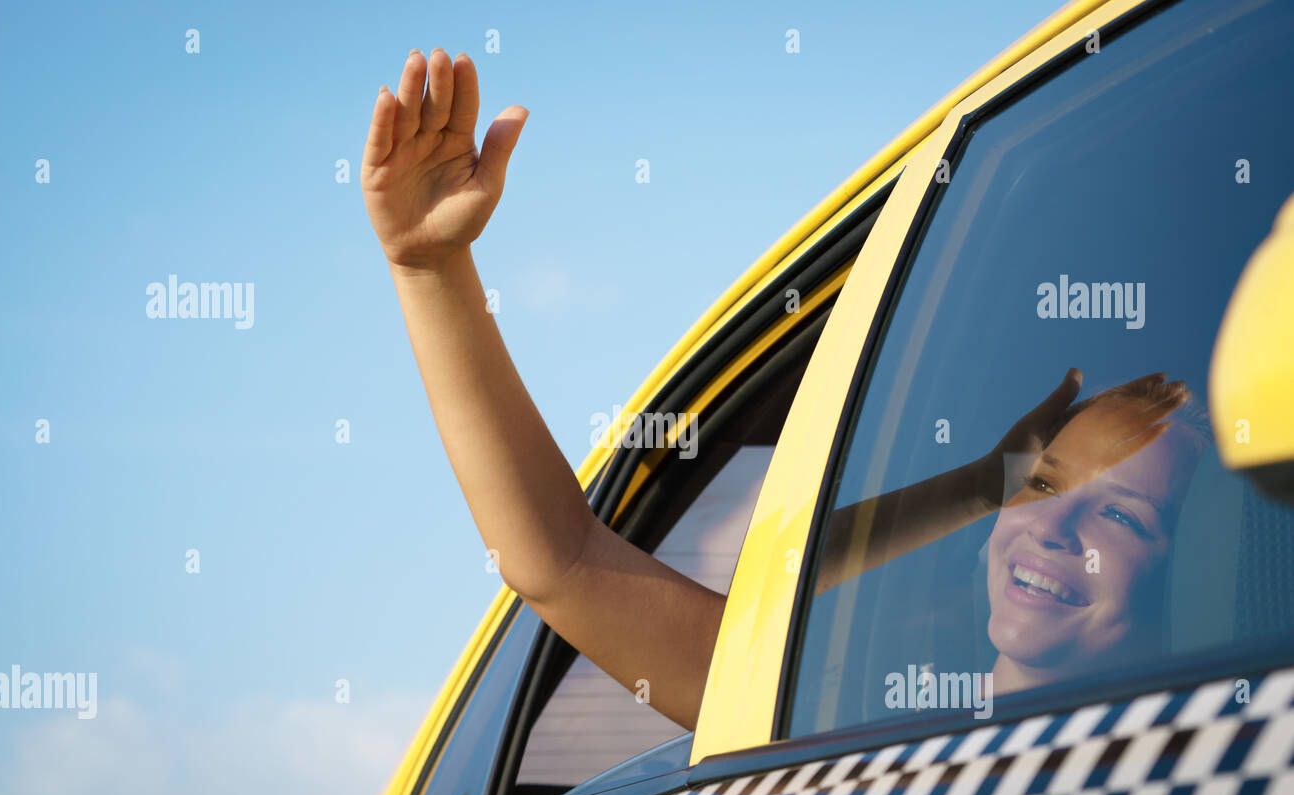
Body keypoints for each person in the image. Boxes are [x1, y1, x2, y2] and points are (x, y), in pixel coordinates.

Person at [359, 47, 1192, 731]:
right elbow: (564, 559)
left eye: (1122, 514)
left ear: (1194, 570)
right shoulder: (848, 725)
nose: (1052, 528)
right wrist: (430, 270)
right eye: (1044, 483)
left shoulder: (1185, 779)